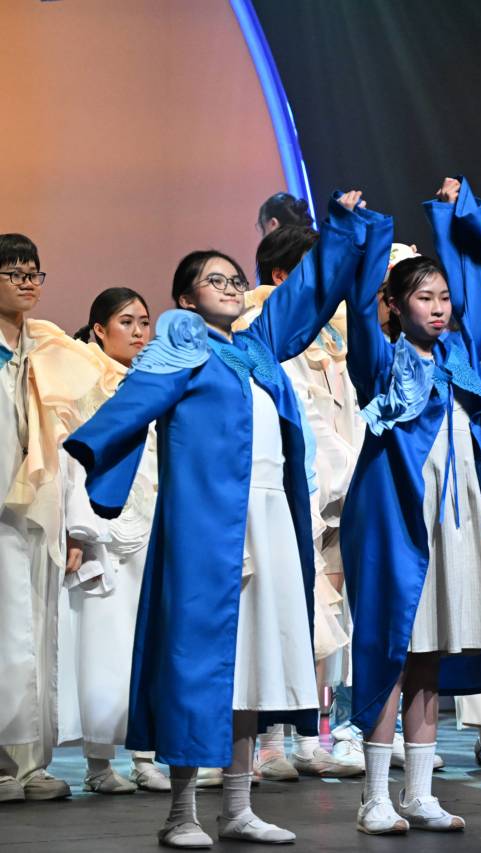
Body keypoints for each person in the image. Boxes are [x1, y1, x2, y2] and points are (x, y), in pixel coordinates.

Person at [63, 191, 378, 847]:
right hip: (209, 526)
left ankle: (237, 806)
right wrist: (93, 450)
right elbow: (136, 401)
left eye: (236, 278)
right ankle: (182, 812)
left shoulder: (257, 348)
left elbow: (308, 292)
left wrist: (345, 228)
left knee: (252, 666)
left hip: (268, 518)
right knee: (197, 661)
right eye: (215, 279)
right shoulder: (182, 345)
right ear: (186, 299)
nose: (232, 286)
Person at [341, 176, 481, 835]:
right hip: (397, 515)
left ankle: (418, 792)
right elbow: (359, 310)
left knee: (427, 655)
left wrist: (451, 216)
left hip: (454, 517)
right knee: (391, 647)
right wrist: (363, 235)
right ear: (395, 303)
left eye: (444, 297)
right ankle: (374, 796)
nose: (441, 308)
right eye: (425, 297)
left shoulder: (460, 354)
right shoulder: (381, 360)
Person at [235, 225, 364, 781]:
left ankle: (313, 736)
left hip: (340, 488)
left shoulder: (333, 331)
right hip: (298, 486)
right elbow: (299, 418)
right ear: (284, 275)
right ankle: (268, 742)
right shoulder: (260, 326)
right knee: (283, 607)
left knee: (326, 615)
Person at [1, 233, 105, 804]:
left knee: (38, 634)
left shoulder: (50, 350)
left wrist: (74, 525)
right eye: (14, 272)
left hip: (38, 511)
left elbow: (67, 445)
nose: (26, 282)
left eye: (33, 272)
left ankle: (30, 763)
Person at [58, 288, 171, 795]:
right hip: (104, 526)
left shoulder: (156, 381)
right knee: (103, 641)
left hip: (151, 517)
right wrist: (78, 530)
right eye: (127, 322)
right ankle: (99, 761)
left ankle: (145, 755)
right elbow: (72, 459)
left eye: (144, 321)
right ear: (99, 329)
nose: (139, 331)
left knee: (151, 641)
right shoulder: (82, 381)